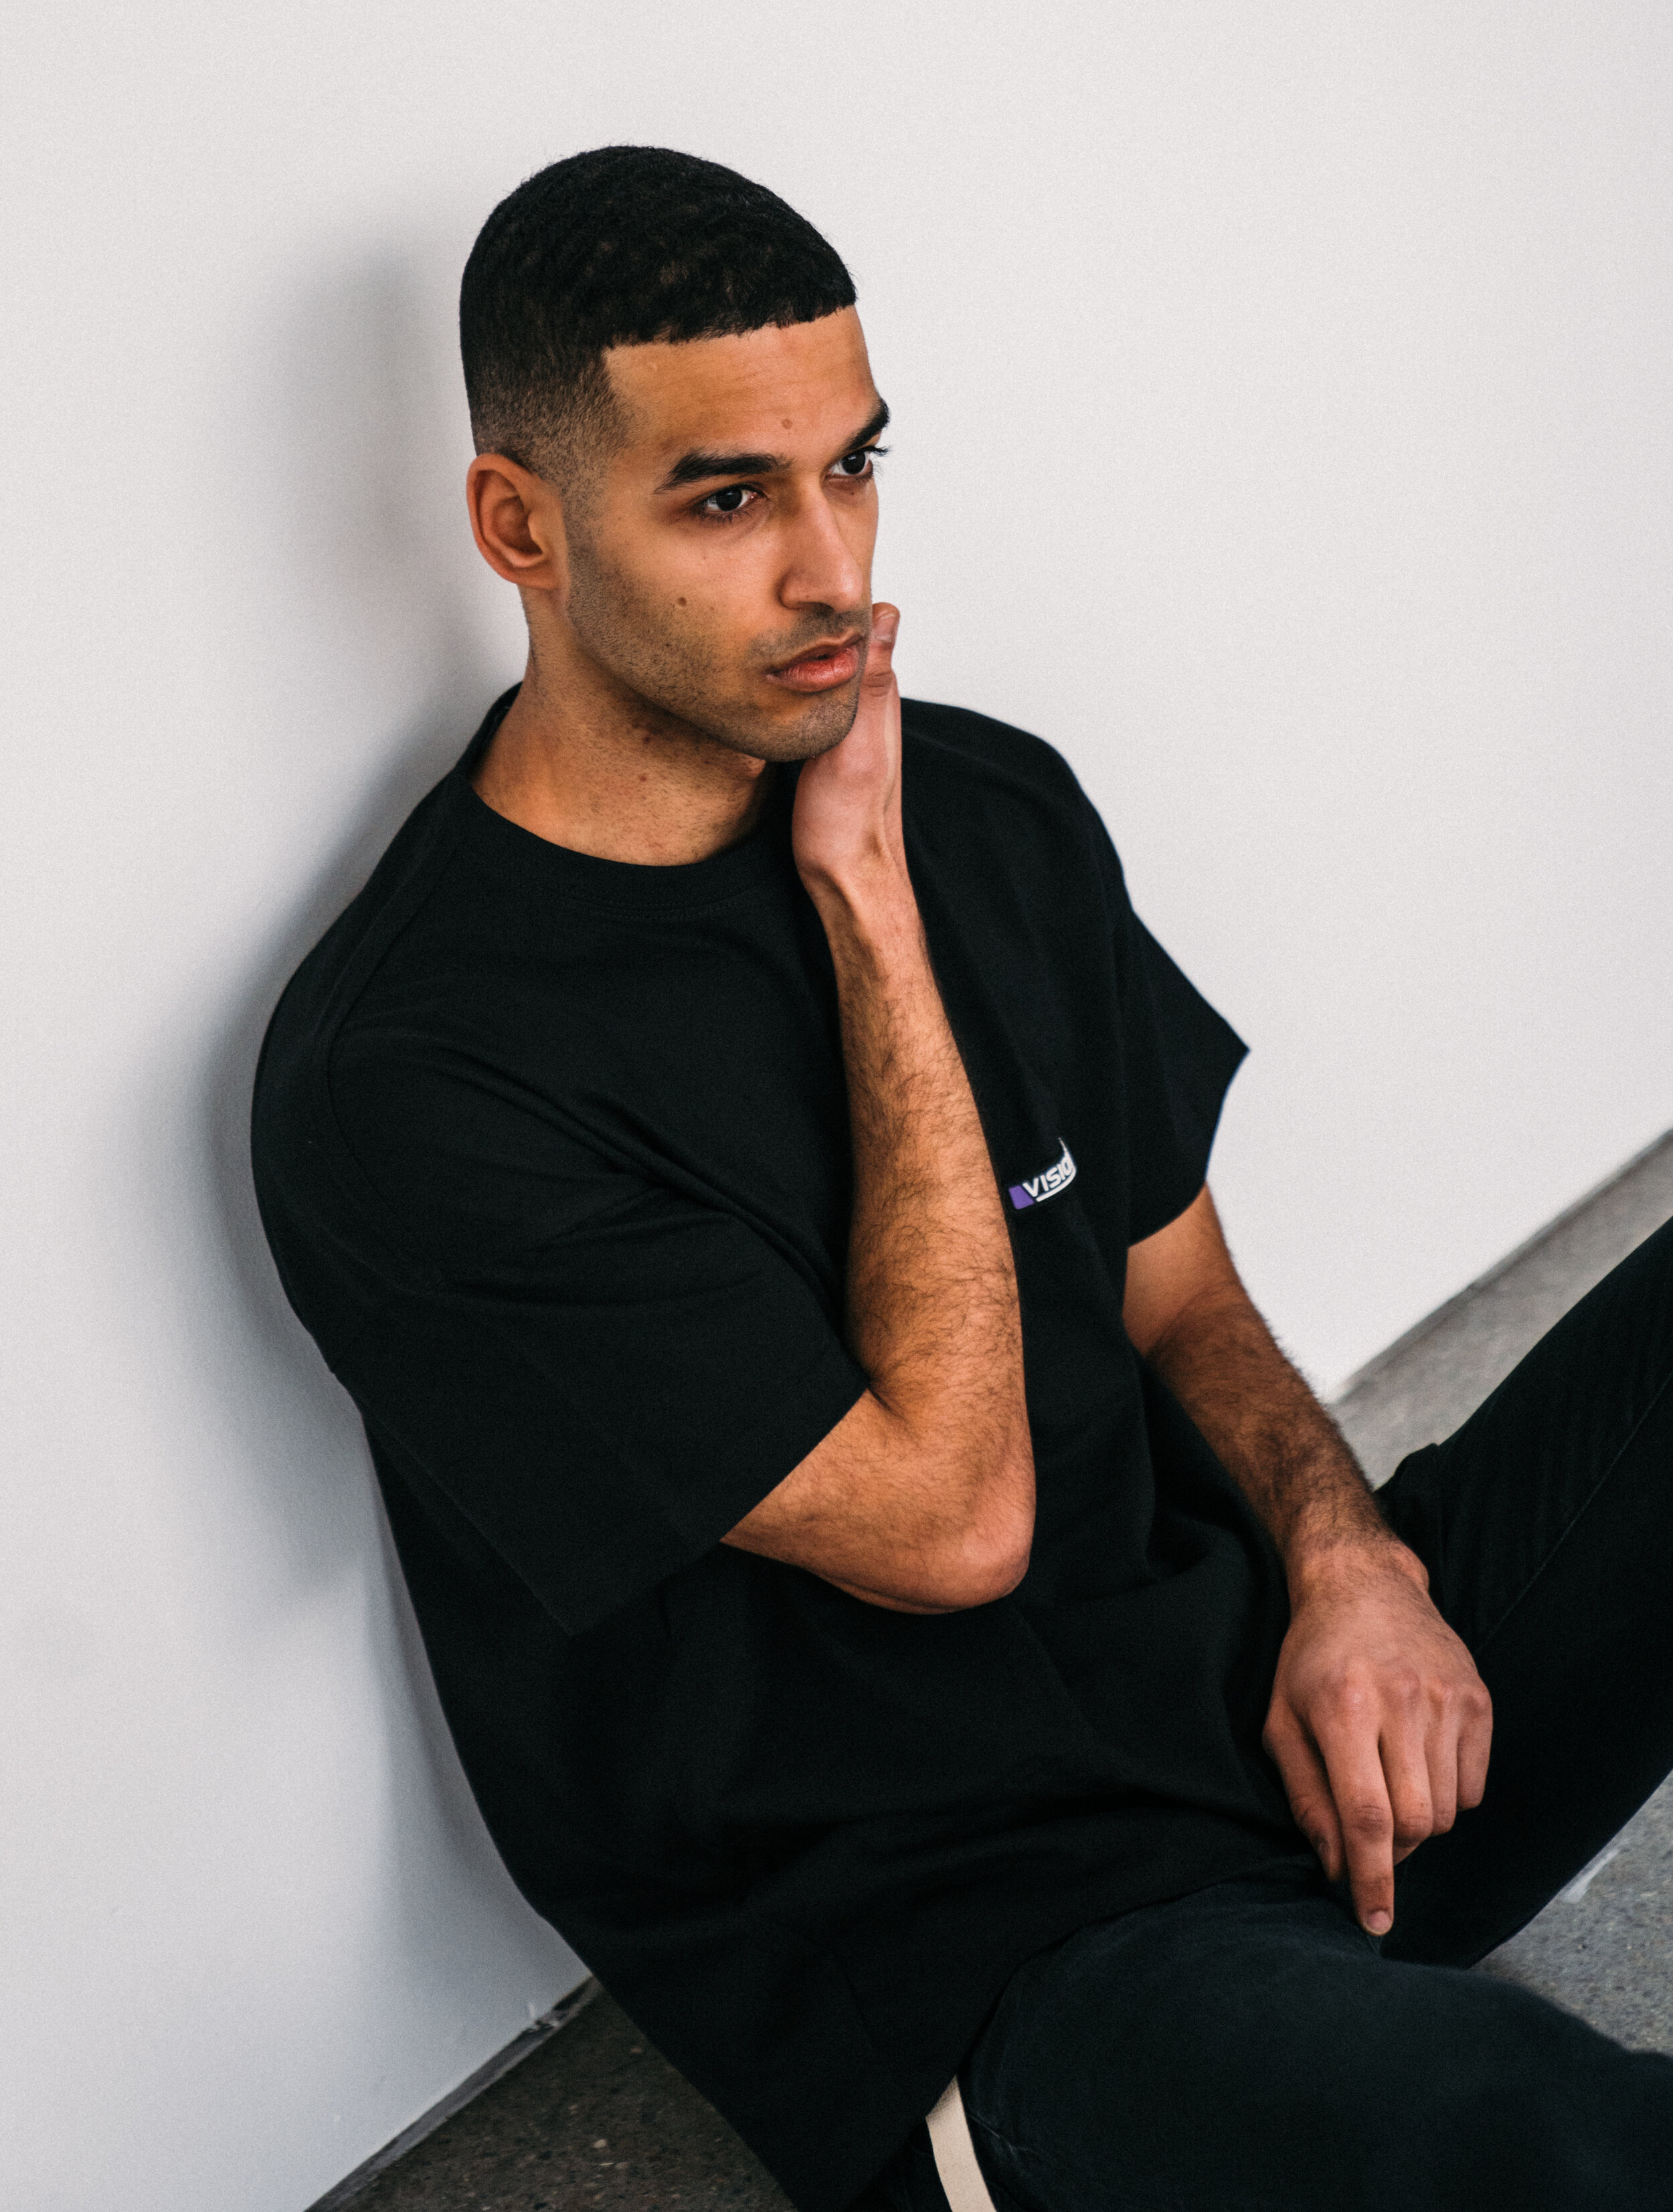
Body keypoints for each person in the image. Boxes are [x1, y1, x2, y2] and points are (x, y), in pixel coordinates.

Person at [252, 147, 1673, 2212]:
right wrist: (861, 907)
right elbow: (950, 1523)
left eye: (857, 466)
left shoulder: (989, 800)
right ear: (517, 526)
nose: (834, 567)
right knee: (1552, 2143)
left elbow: (1179, 1294)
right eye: (730, 498)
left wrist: (1349, 1570)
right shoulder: (416, 1078)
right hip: (1009, 1969)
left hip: (1288, 1737)